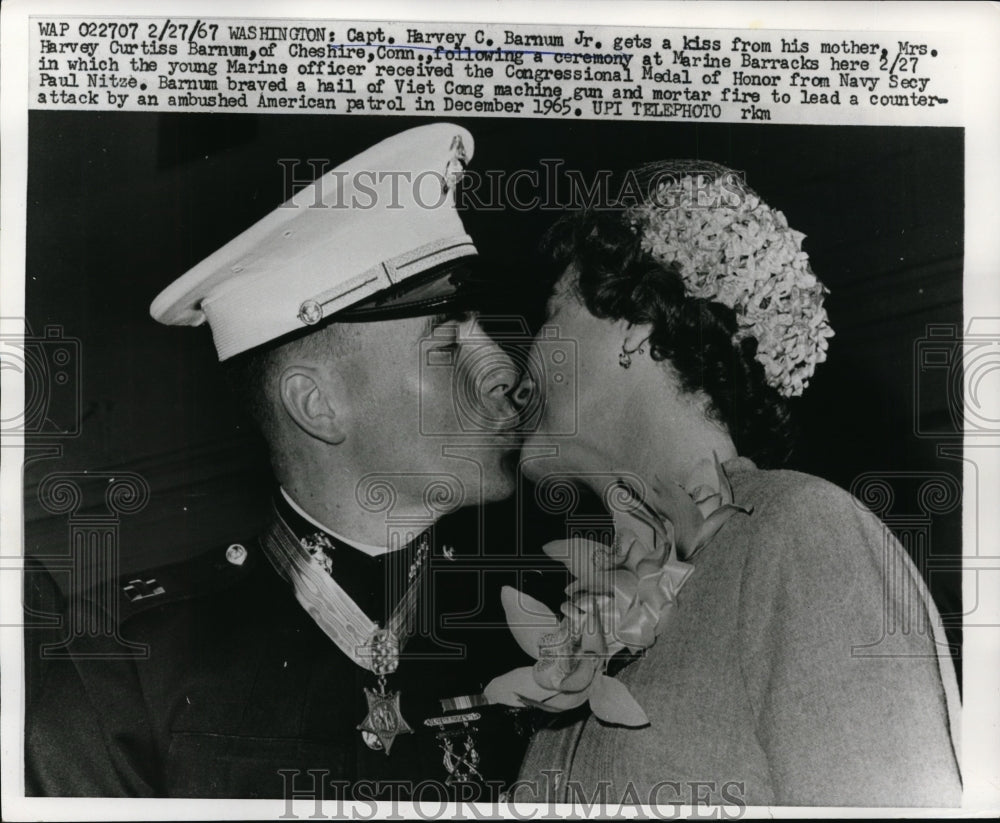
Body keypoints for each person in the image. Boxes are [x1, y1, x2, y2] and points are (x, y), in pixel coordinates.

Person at [26, 123, 543, 799]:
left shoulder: (542, 619)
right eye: (447, 347)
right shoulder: (125, 668)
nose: (505, 372)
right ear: (317, 405)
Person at [488, 161, 962, 807]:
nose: (519, 373)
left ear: (634, 322)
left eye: (550, 314)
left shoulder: (803, 532)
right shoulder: (597, 603)